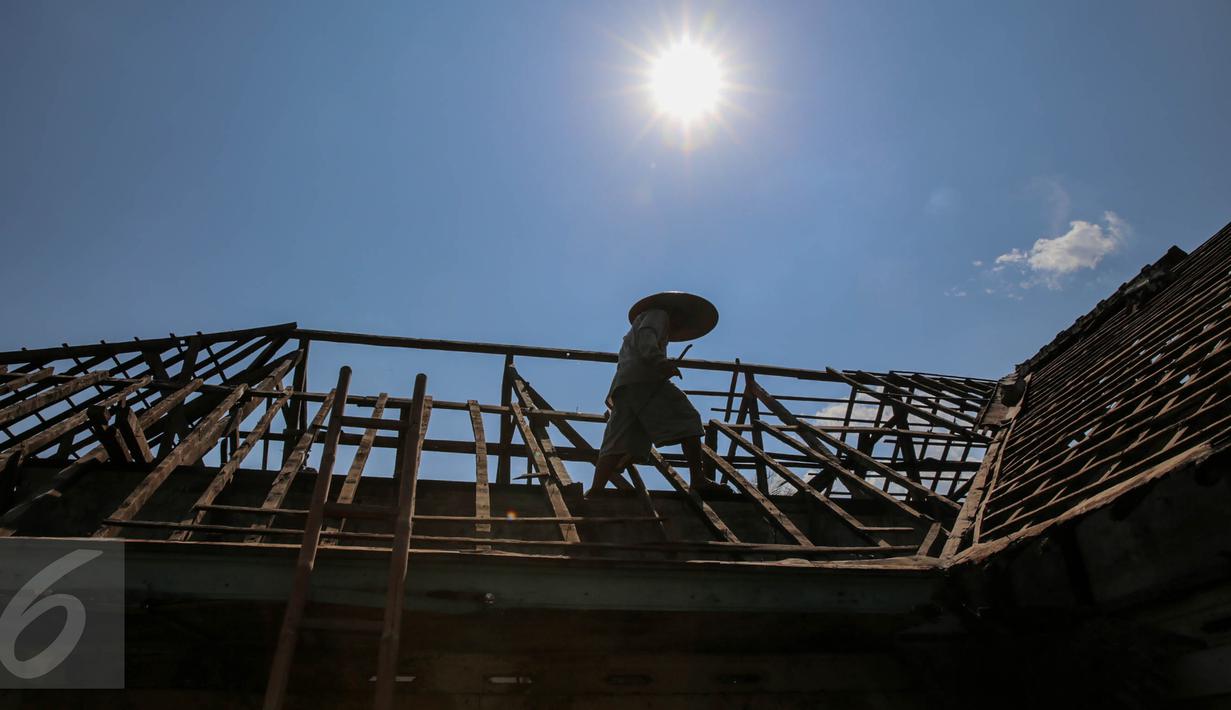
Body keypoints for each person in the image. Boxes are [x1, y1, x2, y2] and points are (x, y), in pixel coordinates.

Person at [588, 292, 726, 496]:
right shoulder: (658, 315)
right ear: (677, 313)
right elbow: (646, 341)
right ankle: (698, 479)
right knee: (688, 418)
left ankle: (596, 489)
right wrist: (661, 363)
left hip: (626, 385)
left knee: (617, 437)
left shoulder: (647, 320)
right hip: (645, 381)